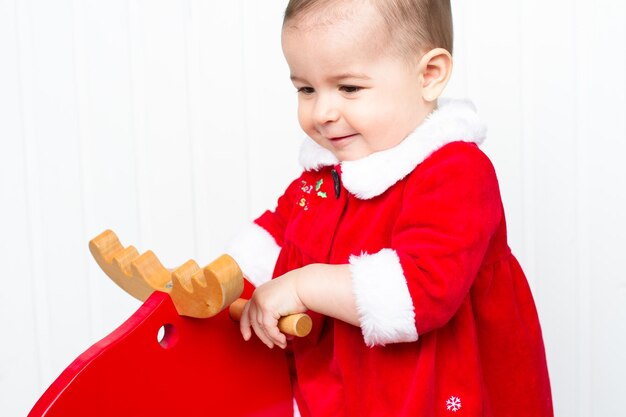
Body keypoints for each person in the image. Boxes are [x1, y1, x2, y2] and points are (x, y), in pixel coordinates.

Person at [227, 0, 553, 416]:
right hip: (353, 387)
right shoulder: (326, 177)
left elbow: (421, 289)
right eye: (306, 89)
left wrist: (301, 285)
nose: (322, 113)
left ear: (428, 76)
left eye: (348, 88)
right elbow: (280, 232)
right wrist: (225, 279)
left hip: (438, 387)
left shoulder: (456, 172)